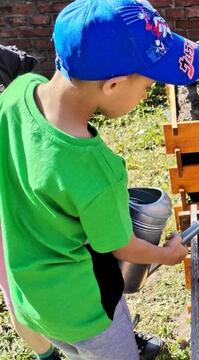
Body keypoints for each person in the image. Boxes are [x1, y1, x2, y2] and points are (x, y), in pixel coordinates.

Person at [0, 0, 199, 359]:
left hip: (30, 296)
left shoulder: (18, 92)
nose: (147, 93)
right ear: (112, 85)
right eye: (148, 85)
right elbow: (124, 247)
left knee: (69, 348)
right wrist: (168, 254)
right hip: (87, 312)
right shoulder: (97, 169)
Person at [0, 45, 61, 360]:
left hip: (28, 182)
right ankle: (48, 356)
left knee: (77, 261)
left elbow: (36, 96)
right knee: (17, 289)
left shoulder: (4, 61)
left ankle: (111, 334)